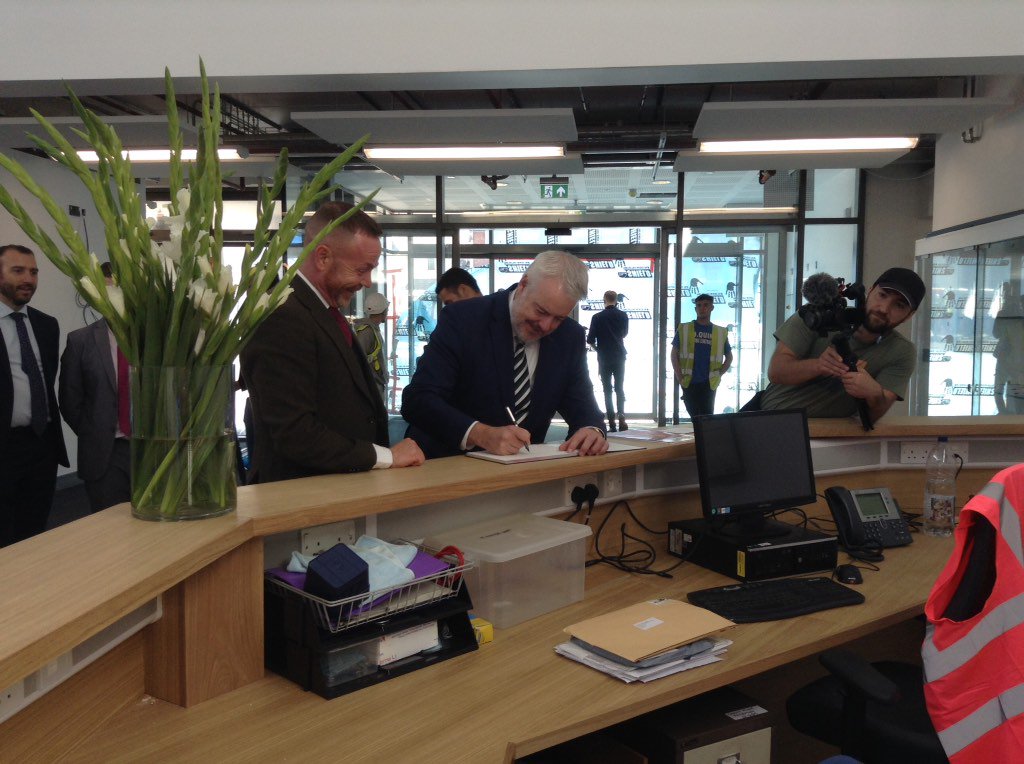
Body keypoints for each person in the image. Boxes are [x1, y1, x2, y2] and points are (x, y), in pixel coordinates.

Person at [240, 202, 424, 482]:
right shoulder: (282, 316)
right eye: (361, 270)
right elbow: (294, 432)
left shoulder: (322, 311)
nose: (367, 282)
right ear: (323, 257)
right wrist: (386, 457)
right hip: (300, 502)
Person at [402, 250, 608, 459]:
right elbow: (418, 400)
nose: (546, 326)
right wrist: (480, 434)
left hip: (522, 477)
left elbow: (583, 404)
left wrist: (592, 430)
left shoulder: (569, 336)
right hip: (447, 466)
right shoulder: (463, 319)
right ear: (523, 284)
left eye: (559, 319)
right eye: (541, 311)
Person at [756, 267, 926, 423]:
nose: (884, 308)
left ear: (909, 315)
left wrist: (874, 393)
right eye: (882, 295)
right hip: (770, 420)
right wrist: (819, 365)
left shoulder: (902, 352)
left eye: (899, 305)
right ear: (871, 290)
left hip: (835, 437)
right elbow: (776, 372)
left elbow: (872, 417)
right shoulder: (818, 315)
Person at [0, 244, 68, 546]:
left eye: (33, 272)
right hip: (4, 447)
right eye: (18, 271)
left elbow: (47, 380)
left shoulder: (46, 325)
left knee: (34, 533)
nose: (28, 278)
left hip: (42, 445)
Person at [58, 263, 131, 512]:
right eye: (106, 291)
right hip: (103, 453)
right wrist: (94, 431)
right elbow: (70, 401)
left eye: (119, 291)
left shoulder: (151, 338)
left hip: (148, 448)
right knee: (109, 532)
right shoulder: (80, 341)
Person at [671, 293, 732, 419]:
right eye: (698, 305)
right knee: (694, 416)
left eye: (705, 305)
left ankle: (705, 439)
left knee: (707, 418)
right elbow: (674, 354)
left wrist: (719, 373)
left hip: (708, 383)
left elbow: (729, 357)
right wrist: (679, 376)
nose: (702, 308)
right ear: (695, 309)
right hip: (689, 381)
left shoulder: (720, 332)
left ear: (711, 308)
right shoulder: (684, 328)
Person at [586, 289, 629, 431]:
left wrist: (599, 349)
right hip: (619, 356)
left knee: (607, 390)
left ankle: (611, 423)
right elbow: (624, 334)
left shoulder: (597, 317)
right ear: (616, 300)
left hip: (604, 358)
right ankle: (622, 416)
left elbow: (590, 340)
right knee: (620, 388)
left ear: (604, 299)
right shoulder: (623, 315)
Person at [352, 291, 390, 405]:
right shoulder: (367, 332)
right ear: (382, 311)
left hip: (375, 385)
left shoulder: (373, 329)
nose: (387, 312)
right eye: (386, 309)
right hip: (372, 386)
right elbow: (357, 361)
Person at [993, 291, 1024, 414]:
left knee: (1016, 401)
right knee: (1001, 394)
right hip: (1008, 366)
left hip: (1017, 370)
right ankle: (1005, 419)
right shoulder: (1012, 325)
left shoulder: (1014, 324)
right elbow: (997, 335)